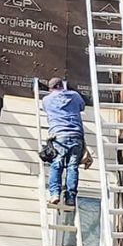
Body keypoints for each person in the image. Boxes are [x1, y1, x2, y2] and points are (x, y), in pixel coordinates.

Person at [42, 76, 86, 207]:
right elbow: (81, 107)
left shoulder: (47, 100)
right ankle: (70, 197)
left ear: (50, 89)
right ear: (62, 86)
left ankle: (55, 194)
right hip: (76, 136)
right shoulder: (75, 96)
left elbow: (47, 109)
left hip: (59, 135)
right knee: (72, 167)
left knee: (57, 164)